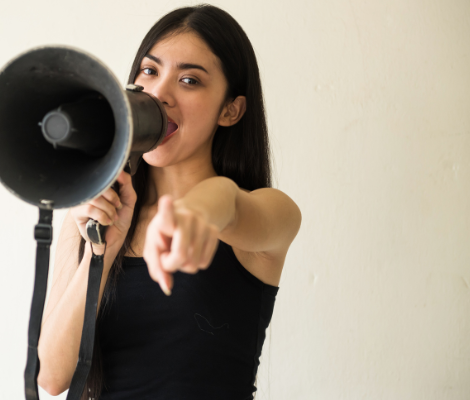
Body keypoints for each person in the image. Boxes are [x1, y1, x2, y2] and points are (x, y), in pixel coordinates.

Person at [37, 4, 301, 399]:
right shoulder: (90, 215)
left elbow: (228, 203)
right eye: (150, 70)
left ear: (230, 110)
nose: (160, 93)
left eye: (190, 80)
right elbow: (53, 377)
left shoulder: (268, 212)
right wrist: (101, 253)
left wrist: (195, 212)